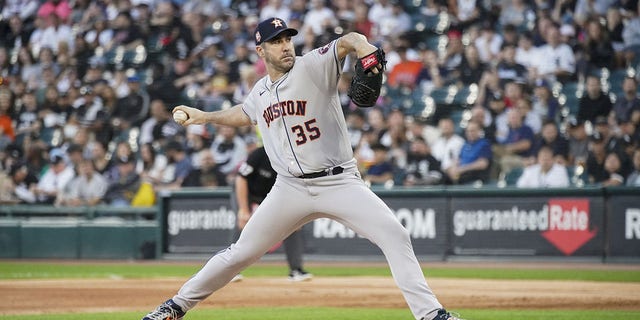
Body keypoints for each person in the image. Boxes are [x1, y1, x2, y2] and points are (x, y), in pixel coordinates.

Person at [142, 17, 459, 320]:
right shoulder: (261, 90)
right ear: (261, 51)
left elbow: (348, 40)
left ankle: (431, 314)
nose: (285, 46)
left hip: (339, 182)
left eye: (286, 39)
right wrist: (205, 116)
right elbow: (245, 112)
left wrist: (364, 49)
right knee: (240, 253)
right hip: (289, 188)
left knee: (395, 234)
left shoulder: (312, 66)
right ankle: (173, 307)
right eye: (275, 41)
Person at [234, 146, 312, 281]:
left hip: (272, 197)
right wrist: (243, 209)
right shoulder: (260, 153)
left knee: (293, 226)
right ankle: (232, 270)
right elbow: (241, 178)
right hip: (248, 193)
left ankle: (296, 270)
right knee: (243, 222)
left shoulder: (294, 159)